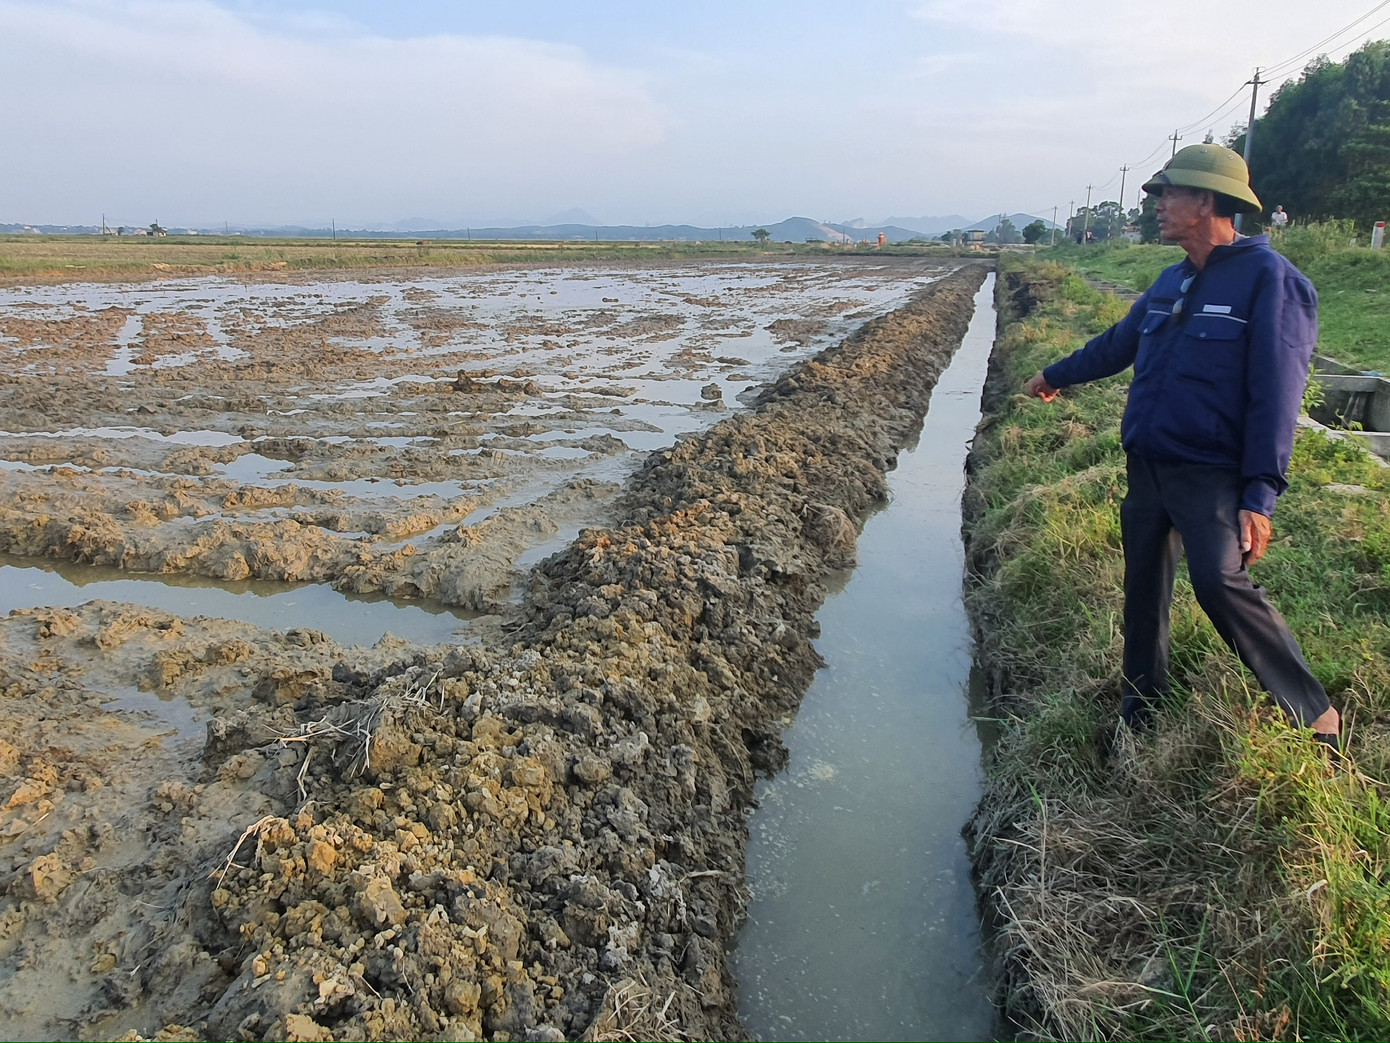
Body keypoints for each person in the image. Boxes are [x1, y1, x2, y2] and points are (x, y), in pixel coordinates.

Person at [1025, 144, 1342, 749]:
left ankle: (1314, 713)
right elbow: (1117, 344)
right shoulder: (1172, 279)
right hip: (1148, 465)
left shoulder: (1271, 282)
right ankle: (1139, 710)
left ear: (1206, 201)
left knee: (1220, 580)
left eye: (1169, 195)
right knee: (1142, 587)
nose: (1159, 207)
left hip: (1212, 473)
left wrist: (1260, 493)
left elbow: (1276, 397)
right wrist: (1055, 374)